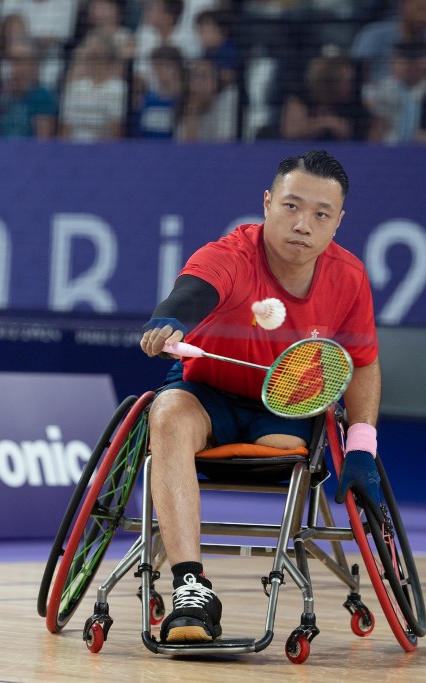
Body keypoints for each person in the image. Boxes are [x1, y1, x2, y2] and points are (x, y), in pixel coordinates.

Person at [139, 150, 382, 643]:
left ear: (338, 222)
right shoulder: (231, 253)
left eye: (321, 214)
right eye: (291, 207)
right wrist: (171, 317)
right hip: (206, 395)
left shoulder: (349, 276)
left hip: (289, 409)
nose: (303, 224)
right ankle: (191, 586)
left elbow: (362, 363)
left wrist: (361, 446)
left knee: (286, 456)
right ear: (268, 203)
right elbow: (196, 289)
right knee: (165, 414)